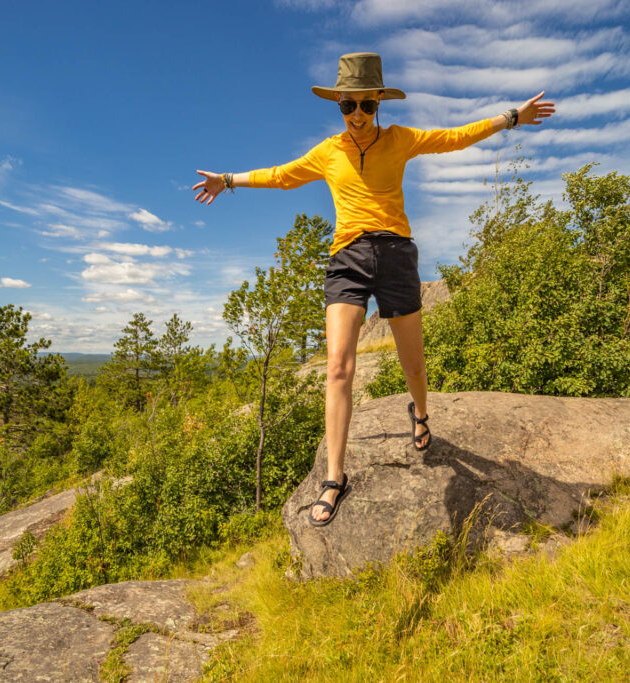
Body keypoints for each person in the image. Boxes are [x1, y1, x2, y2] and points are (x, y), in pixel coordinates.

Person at [192, 52, 554, 526]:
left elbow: (452, 139)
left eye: (365, 105)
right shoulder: (328, 151)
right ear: (338, 105)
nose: (357, 116)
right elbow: (281, 177)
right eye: (347, 106)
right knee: (339, 367)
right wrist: (228, 180)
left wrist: (511, 118)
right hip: (348, 258)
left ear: (379, 102)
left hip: (397, 255)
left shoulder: (400, 141)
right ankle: (334, 477)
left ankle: (420, 414)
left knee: (413, 362)